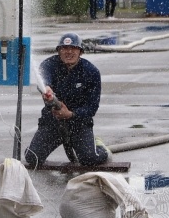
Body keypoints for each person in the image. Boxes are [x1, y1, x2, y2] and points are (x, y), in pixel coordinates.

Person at [24, 32, 110, 168]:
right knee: (33, 158)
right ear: (58, 51)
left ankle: (99, 146)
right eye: (64, 48)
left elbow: (92, 108)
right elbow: (43, 77)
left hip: (79, 124)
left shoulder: (91, 72)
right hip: (52, 122)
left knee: (90, 159)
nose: (68, 52)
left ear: (80, 52)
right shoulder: (49, 64)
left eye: (73, 49)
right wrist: (46, 88)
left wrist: (71, 114)